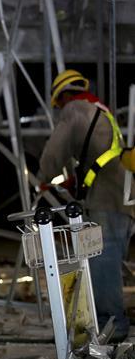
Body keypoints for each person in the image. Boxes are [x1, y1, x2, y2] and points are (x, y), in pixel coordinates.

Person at [39, 69, 132, 341]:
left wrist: (43, 177)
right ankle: (107, 322)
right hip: (120, 197)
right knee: (105, 262)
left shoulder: (75, 109)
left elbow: (55, 152)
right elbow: (99, 157)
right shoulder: (99, 111)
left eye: (59, 105)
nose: (60, 111)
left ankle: (113, 327)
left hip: (108, 198)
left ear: (64, 95)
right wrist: (74, 184)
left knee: (102, 262)